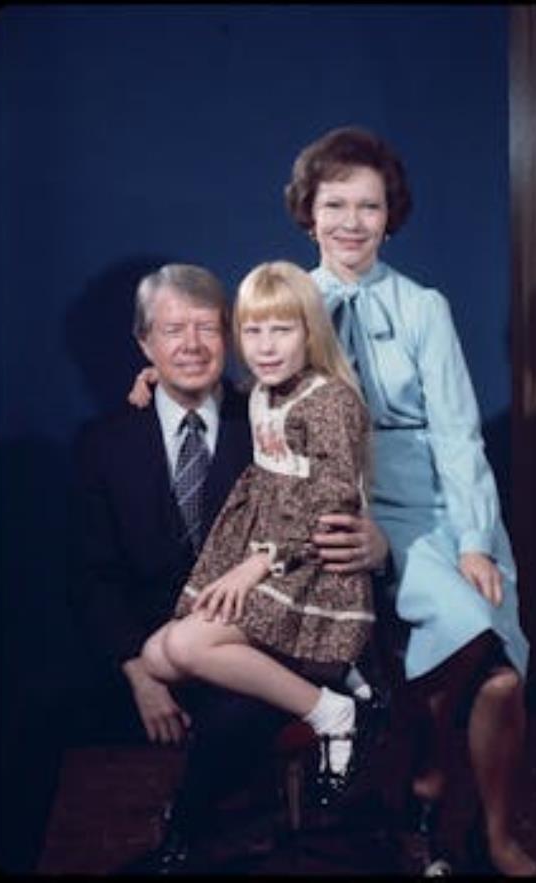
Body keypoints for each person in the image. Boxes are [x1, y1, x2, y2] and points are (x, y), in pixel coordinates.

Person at [72, 261, 389, 875]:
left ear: (228, 335)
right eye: (172, 332)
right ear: (145, 344)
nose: (191, 346)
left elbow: (337, 487)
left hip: (277, 630)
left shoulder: (272, 409)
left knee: (241, 715)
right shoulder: (104, 443)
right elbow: (90, 576)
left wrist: (378, 543)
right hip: (164, 635)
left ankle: (185, 839)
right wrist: (137, 669)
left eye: (207, 328)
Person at [283, 125, 536, 876]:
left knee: (497, 668)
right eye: (337, 205)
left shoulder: (424, 306)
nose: (352, 223)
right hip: (339, 500)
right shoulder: (284, 298)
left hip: (434, 501)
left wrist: (474, 541)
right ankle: (426, 796)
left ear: (391, 216)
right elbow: (253, 401)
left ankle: (473, 824)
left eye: (370, 206)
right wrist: (160, 391)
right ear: (309, 212)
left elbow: (460, 434)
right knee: (475, 657)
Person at [140, 260, 384, 808]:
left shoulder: (330, 401)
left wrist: (257, 564)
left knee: (183, 643)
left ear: (310, 332)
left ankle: (331, 710)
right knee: (157, 654)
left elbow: (331, 494)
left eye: (282, 330)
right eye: (253, 331)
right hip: (267, 561)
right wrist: (154, 374)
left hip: (310, 573)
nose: (266, 346)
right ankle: (335, 682)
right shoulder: (261, 394)